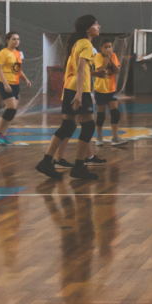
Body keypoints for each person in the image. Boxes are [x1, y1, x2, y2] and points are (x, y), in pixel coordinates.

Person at [37, 15, 101, 180]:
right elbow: (80, 68)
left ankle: (46, 161)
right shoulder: (86, 43)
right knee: (88, 126)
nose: (98, 26)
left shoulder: (78, 43)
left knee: (67, 126)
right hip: (78, 89)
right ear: (88, 29)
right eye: (95, 24)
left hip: (69, 88)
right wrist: (79, 94)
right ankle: (79, 166)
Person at [0, 31, 24, 146]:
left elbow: (18, 69)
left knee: (13, 110)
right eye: (13, 39)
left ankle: (2, 134)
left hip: (15, 83)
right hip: (5, 83)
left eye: (18, 39)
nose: (16, 41)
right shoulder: (2, 53)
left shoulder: (18, 54)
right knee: (11, 107)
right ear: (7, 40)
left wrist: (26, 79)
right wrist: (5, 84)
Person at [93, 39, 128, 148]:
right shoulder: (98, 57)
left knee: (115, 113)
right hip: (100, 89)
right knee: (101, 115)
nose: (108, 49)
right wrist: (106, 59)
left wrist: (111, 59)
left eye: (110, 47)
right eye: (105, 47)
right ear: (101, 48)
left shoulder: (113, 55)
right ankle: (99, 137)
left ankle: (115, 137)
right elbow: (101, 70)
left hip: (111, 89)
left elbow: (117, 71)